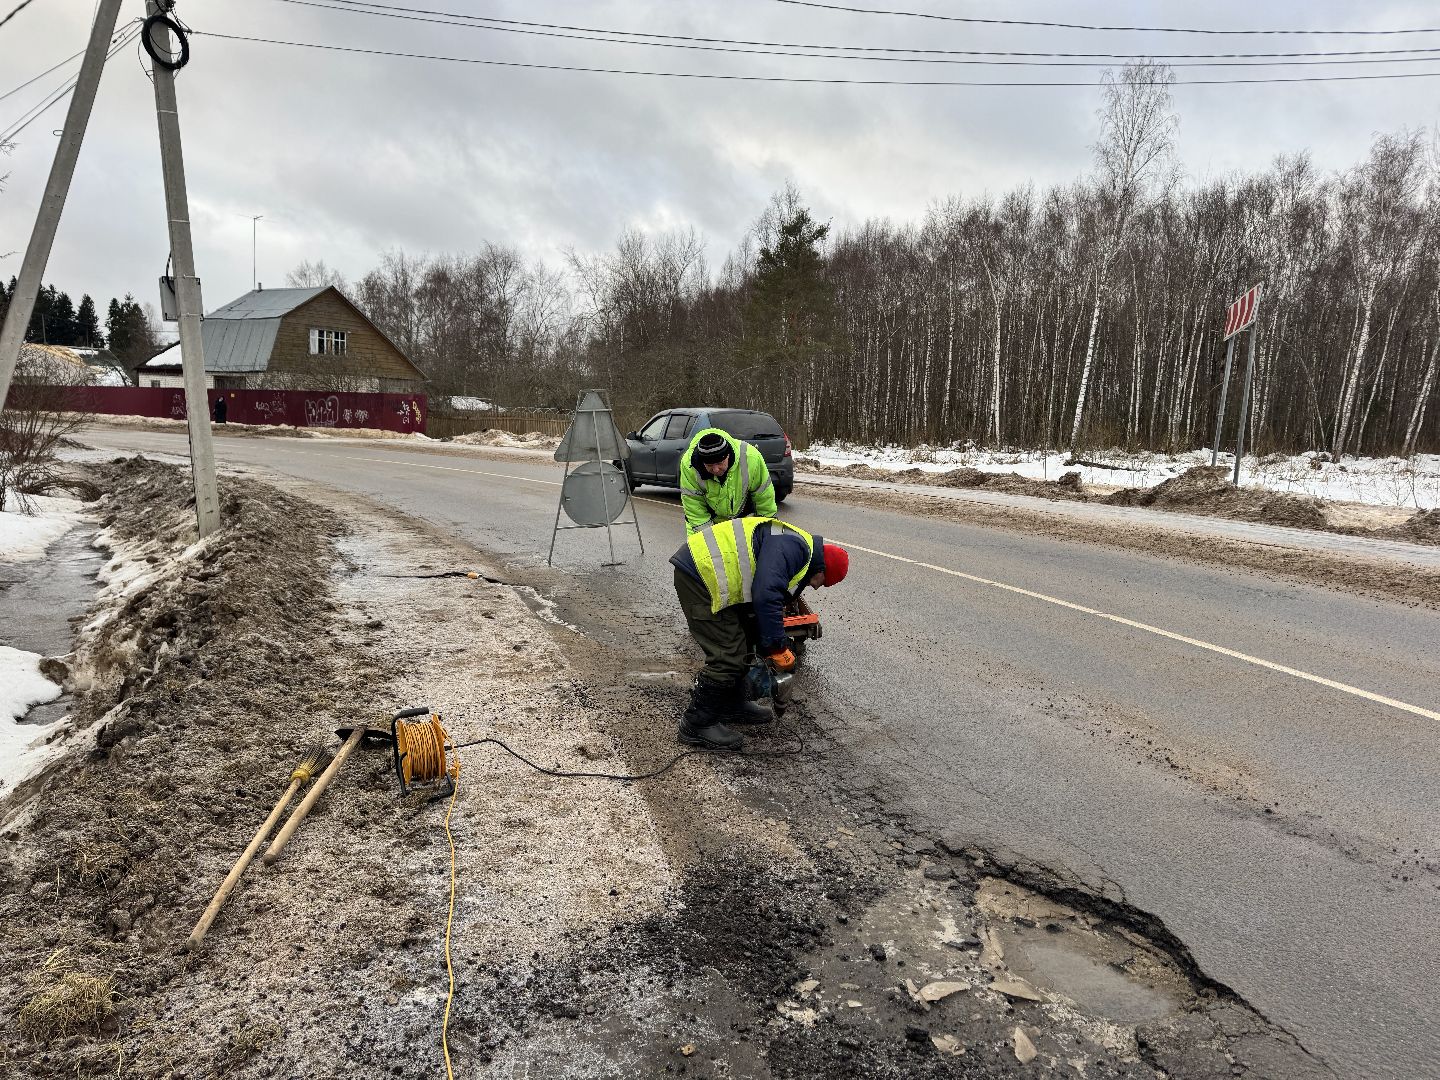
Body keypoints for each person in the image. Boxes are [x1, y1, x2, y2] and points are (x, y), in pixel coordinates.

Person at [670, 516, 849, 750]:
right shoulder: (796, 548)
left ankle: (731, 705)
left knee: (746, 642)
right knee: (728, 654)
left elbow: (763, 600)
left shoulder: (797, 549)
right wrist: (777, 648)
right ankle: (697, 723)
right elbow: (766, 595)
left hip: (709, 574)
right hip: (699, 576)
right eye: (822, 582)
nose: (815, 587)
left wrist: (765, 642)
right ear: (822, 568)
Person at [679, 428, 776, 534]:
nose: (716, 469)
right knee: (706, 543)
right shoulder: (689, 466)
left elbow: (764, 500)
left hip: (745, 519)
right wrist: (710, 538)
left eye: (720, 463)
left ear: (728, 455)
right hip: (708, 522)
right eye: (709, 465)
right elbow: (695, 509)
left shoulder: (751, 458)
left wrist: (768, 532)